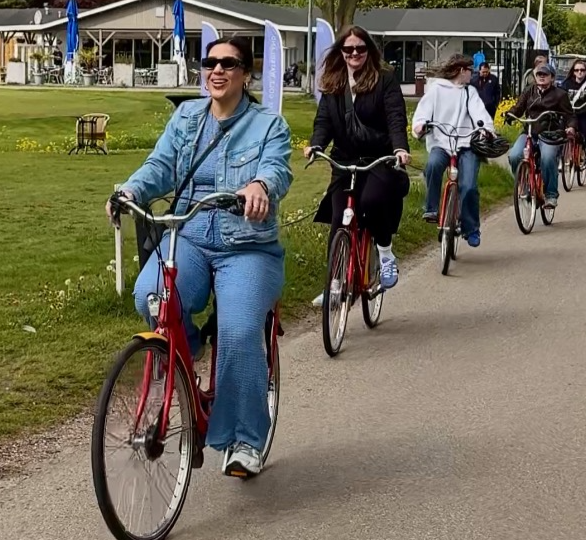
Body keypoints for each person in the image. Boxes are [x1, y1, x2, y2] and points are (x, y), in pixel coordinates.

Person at [108, 36, 291, 478]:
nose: (217, 70)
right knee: (149, 296)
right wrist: (131, 189)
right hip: (187, 234)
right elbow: (160, 166)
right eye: (210, 62)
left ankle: (245, 438)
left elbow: (278, 168)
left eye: (229, 64)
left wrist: (260, 188)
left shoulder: (268, 125)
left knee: (240, 329)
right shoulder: (186, 117)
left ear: (246, 74)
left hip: (246, 246)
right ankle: (187, 361)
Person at [303, 25, 411, 289]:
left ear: (369, 50)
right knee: (340, 217)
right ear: (341, 51)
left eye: (360, 48)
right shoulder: (333, 83)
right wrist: (316, 145)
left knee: (372, 201)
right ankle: (334, 285)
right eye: (348, 48)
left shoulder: (384, 79)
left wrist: (399, 148)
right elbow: (324, 121)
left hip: (378, 158)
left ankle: (385, 254)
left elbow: (395, 117)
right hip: (345, 158)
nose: (354, 53)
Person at [412, 53, 495, 248]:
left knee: (469, 186)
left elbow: (479, 113)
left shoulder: (470, 92)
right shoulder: (436, 90)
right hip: (442, 142)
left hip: (466, 144)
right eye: (470, 70)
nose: (472, 74)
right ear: (461, 71)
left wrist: (486, 130)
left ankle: (471, 228)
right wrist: (420, 126)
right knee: (433, 165)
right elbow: (422, 113)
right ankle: (431, 208)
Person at [506, 62, 574, 209]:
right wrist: (510, 114)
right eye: (539, 74)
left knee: (548, 158)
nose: (542, 77)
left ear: (552, 77)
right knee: (515, 155)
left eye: (545, 75)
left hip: (550, 133)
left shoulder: (560, 94)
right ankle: (523, 185)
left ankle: (550, 195)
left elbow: (569, 115)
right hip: (530, 131)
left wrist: (571, 127)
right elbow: (518, 107)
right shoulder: (529, 91)